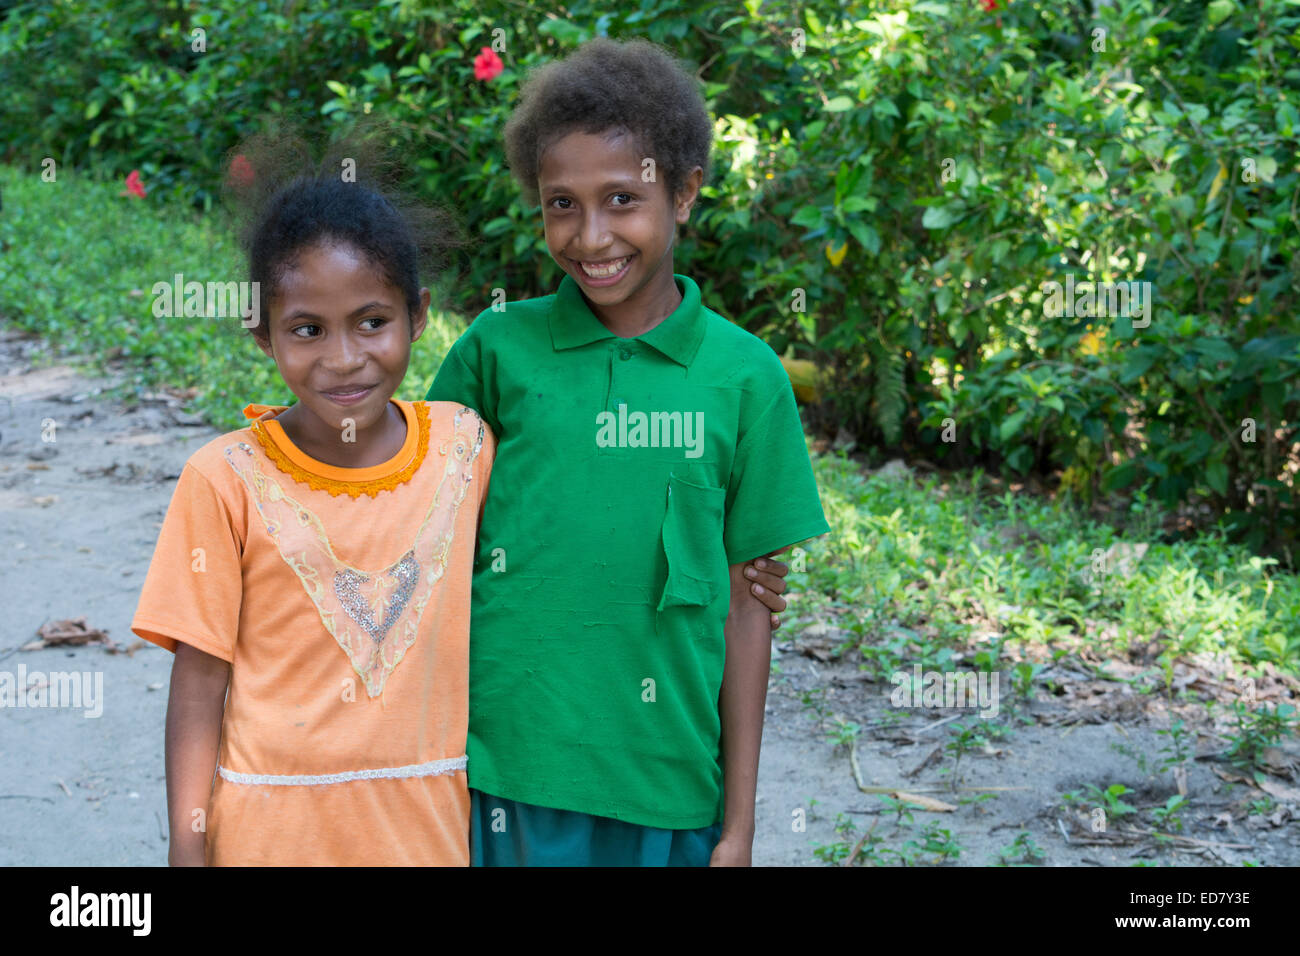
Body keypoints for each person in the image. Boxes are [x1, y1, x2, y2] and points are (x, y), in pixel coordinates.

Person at [427, 37, 830, 866]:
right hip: (505, 772)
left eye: (621, 198)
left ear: (682, 194)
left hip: (666, 779)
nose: (590, 234)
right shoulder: (496, 353)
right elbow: (413, 529)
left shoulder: (746, 379)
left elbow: (750, 609)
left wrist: (739, 823)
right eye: (560, 204)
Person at [131, 131, 494, 865]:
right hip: (270, 837)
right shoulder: (225, 479)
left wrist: (737, 561)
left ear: (418, 315)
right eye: (307, 329)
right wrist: (187, 838)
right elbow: (200, 680)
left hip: (427, 834)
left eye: (372, 321)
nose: (344, 357)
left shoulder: (464, 450)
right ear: (263, 334)